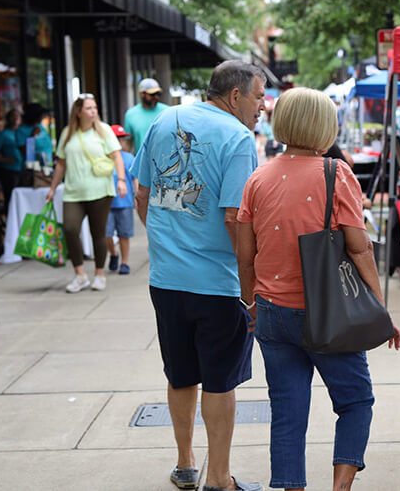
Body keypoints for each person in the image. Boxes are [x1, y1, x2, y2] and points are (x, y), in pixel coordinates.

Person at [236, 87, 400, 491]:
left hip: (272, 313)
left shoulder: (257, 178)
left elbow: (244, 254)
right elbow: (359, 248)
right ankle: (339, 488)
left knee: (288, 412)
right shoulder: (336, 173)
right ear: (324, 125)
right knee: (355, 401)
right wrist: (379, 308)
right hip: (328, 313)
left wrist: (251, 305)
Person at [131, 61, 266, 491]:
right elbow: (234, 217)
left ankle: (186, 463)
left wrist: (165, 242)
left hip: (167, 279)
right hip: (218, 283)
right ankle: (219, 479)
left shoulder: (165, 118)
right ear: (235, 96)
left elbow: (143, 193)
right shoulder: (239, 138)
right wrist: (250, 287)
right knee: (220, 380)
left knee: (181, 373)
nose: (262, 107)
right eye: (259, 97)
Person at [45, 95, 125, 293]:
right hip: (73, 191)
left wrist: (122, 180)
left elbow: (117, 156)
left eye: (95, 107)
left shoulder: (103, 130)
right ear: (78, 111)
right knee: (70, 229)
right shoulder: (67, 133)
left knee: (98, 233)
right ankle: (80, 275)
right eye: (89, 108)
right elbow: (61, 163)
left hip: (100, 191)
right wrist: (53, 187)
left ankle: (99, 274)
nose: (93, 111)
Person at [105, 125, 137, 275]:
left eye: (122, 139)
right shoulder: (104, 157)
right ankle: (113, 253)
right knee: (106, 234)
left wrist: (137, 196)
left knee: (124, 234)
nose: (121, 142)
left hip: (124, 202)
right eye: (118, 139)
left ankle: (125, 262)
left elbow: (135, 178)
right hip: (106, 202)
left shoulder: (128, 158)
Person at [0, 108, 23, 210]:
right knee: (10, 197)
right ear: (8, 119)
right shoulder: (4, 133)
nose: (16, 118)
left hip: (22, 169)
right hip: (8, 170)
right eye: (13, 116)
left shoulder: (22, 132)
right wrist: (1, 158)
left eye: (18, 115)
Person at [124, 78, 169, 153]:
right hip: (141, 163)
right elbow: (128, 143)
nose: (156, 97)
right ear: (142, 94)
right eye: (152, 94)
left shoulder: (167, 111)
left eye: (158, 94)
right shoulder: (130, 114)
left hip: (165, 161)